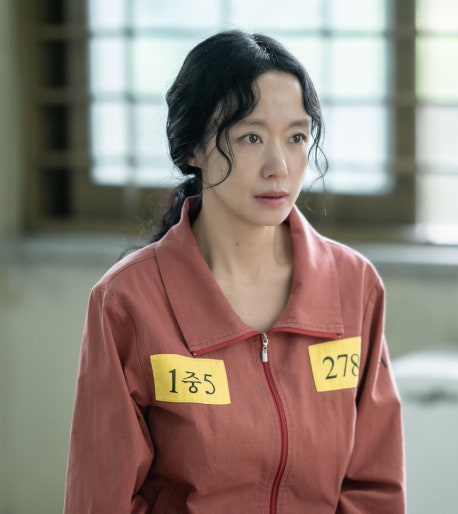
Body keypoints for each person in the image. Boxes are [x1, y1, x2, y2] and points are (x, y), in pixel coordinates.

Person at [64, 30, 405, 513]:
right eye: (251, 137)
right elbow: (103, 498)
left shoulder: (354, 286)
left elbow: (375, 489)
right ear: (193, 148)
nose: (278, 167)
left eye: (296, 137)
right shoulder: (128, 301)